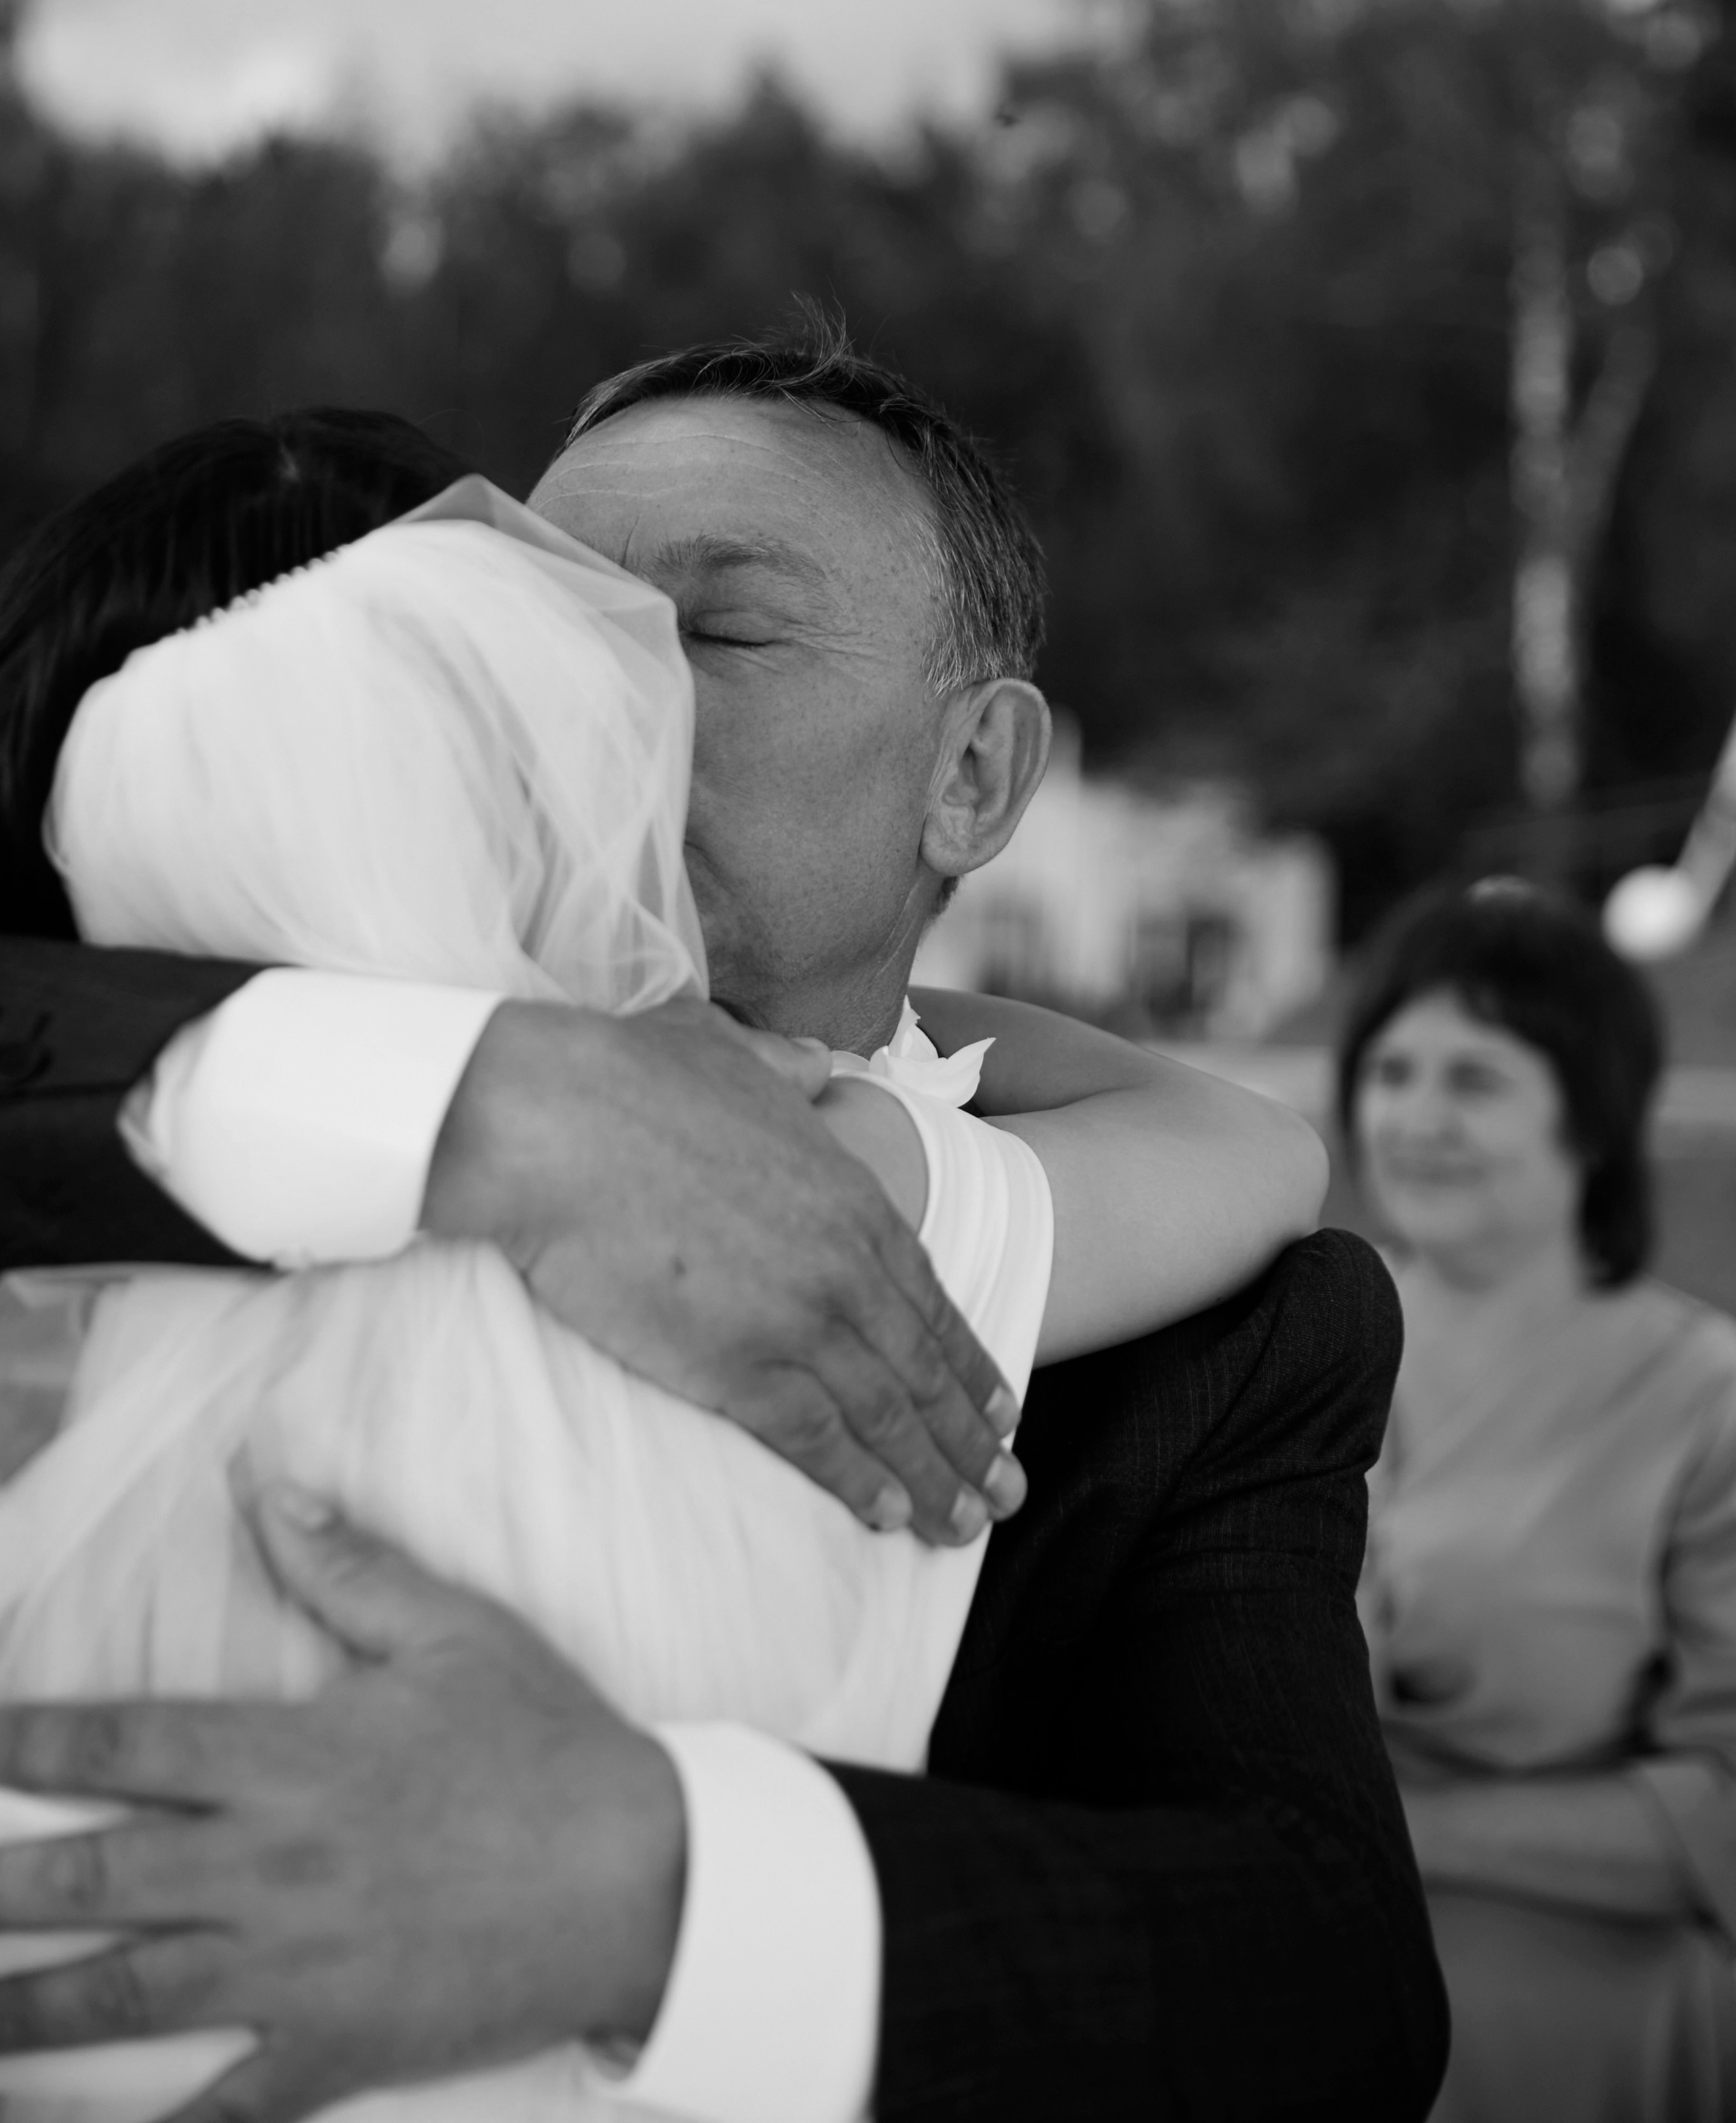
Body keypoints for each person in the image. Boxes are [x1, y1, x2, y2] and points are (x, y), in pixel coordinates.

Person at [0, 330, 1449, 2121]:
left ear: (975, 778)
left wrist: (661, 1895)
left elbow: (1329, 1989)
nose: (593, 693)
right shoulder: (146, 1107)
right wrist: (469, 1103)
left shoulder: (1202, 1327)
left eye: (717, 628)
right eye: (527, 621)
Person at [1340, 876, 1736, 2123]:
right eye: (1392, 1071)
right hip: (1294, 1921)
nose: (1416, 1116)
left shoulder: (1707, 1403)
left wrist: (1391, 1830)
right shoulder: (1295, 1345)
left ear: (1593, 1116)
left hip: (1581, 1991)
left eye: (1476, 1078)